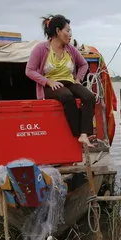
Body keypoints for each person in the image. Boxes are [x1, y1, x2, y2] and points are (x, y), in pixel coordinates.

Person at [26, 14, 96, 147]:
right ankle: (76, 133)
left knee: (89, 97)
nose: (70, 34)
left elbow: (84, 64)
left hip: (69, 82)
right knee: (66, 96)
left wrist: (78, 79)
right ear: (58, 31)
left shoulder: (71, 49)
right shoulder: (41, 49)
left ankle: (84, 134)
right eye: (67, 30)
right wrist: (48, 82)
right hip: (50, 85)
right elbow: (29, 70)